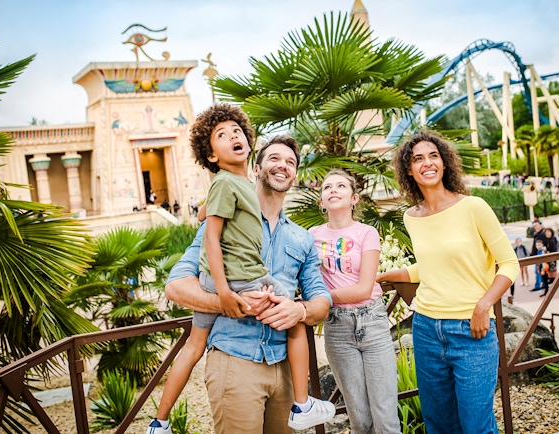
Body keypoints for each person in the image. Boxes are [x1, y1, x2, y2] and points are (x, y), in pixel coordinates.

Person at [147, 108, 333, 434]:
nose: (283, 166)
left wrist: (297, 310)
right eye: (274, 158)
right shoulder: (227, 215)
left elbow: (321, 301)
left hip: (286, 369)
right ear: (257, 169)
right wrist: (230, 301)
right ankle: (159, 422)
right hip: (235, 360)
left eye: (291, 162)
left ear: (295, 175)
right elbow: (176, 286)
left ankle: (304, 405)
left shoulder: (302, 239)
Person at [378, 130, 519, 434]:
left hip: (471, 330)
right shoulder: (411, 217)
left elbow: (509, 263)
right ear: (408, 170)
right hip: (426, 328)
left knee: (476, 426)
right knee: (439, 425)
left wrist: (484, 305)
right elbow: (429, 267)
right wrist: (389, 276)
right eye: (418, 159)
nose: (427, 163)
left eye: (433, 156)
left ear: (444, 164)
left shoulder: (473, 207)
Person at [309, 170, 400, 433]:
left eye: (340, 186)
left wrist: (319, 300)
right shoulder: (310, 235)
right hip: (337, 328)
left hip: (371, 322)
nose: (333, 190)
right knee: (359, 419)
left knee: (386, 419)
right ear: (322, 201)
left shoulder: (366, 233)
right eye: (327, 187)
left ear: (354, 198)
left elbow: (363, 288)